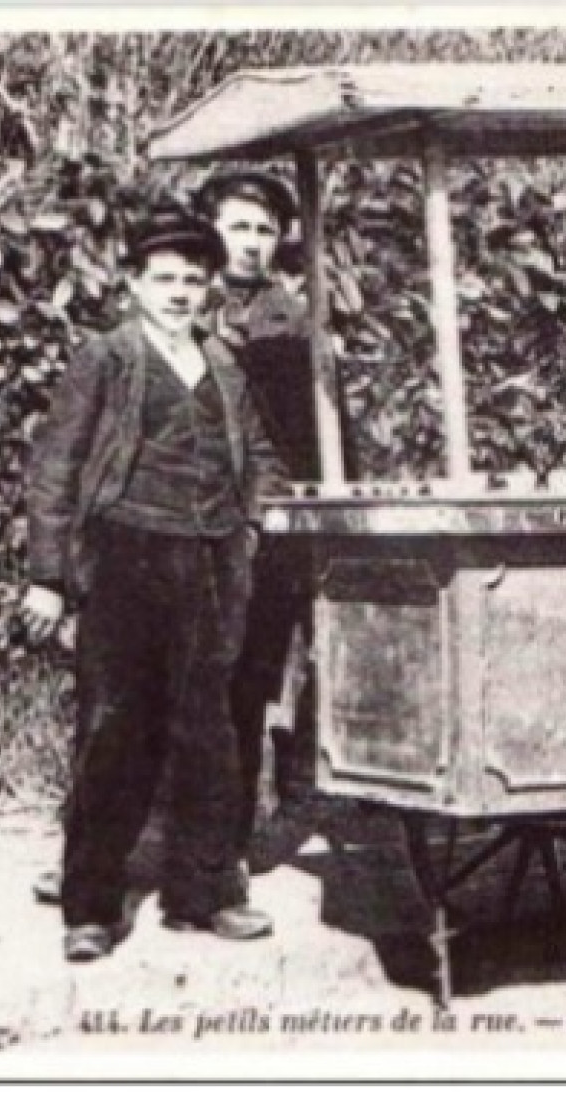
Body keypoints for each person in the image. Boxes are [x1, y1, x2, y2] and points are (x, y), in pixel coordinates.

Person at [21, 209, 290, 961]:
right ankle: (91, 909)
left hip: (211, 561)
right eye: (163, 279)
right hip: (124, 556)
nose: (178, 292)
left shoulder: (224, 362)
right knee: (115, 730)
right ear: (133, 283)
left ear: (209, 289)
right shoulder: (105, 357)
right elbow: (56, 469)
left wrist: (259, 520)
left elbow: (261, 451)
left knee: (209, 729)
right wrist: (49, 577)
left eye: (192, 280)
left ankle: (202, 898)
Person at [196, 170, 320, 863]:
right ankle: (127, 841)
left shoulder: (294, 317)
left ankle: (229, 843)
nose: (250, 243)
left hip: (258, 528)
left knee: (246, 679)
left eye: (264, 230)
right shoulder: (177, 300)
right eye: (238, 226)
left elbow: (303, 436)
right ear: (212, 230)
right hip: (176, 522)